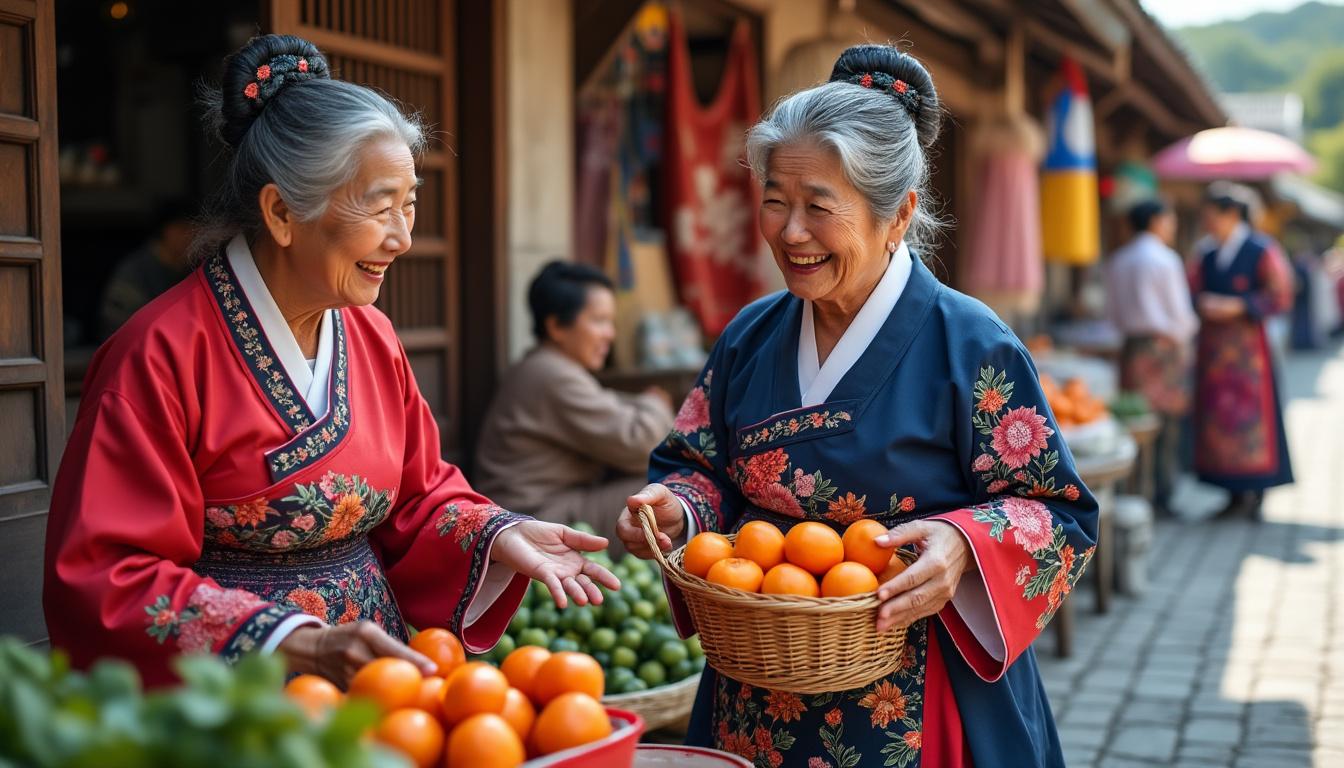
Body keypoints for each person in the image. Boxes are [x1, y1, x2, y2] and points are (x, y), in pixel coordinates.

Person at [43, 35, 617, 688]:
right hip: (243, 701)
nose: (403, 238)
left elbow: (420, 493)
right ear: (282, 213)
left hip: (380, 676)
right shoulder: (156, 355)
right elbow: (107, 574)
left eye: (410, 204)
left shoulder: (371, 334)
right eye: (380, 207)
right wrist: (295, 641)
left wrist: (496, 534)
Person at [616, 44, 1098, 767]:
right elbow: (700, 465)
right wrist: (677, 509)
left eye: (818, 207)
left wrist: (964, 545)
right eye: (775, 201)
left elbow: (1056, 512)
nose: (790, 232)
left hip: (915, 693)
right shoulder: (750, 336)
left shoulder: (972, 345)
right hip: (756, 683)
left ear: (898, 214)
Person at [474, 261, 674, 551]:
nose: (610, 334)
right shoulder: (551, 374)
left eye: (611, 322)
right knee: (671, 486)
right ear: (556, 326)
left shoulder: (548, 367)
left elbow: (613, 407)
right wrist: (655, 402)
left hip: (544, 507)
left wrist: (646, 404)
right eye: (599, 321)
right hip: (535, 517)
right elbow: (643, 444)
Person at [1190, 182, 1294, 519]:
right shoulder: (1206, 253)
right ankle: (1231, 494)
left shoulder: (1261, 249)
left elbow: (1281, 293)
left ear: (1232, 214)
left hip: (1249, 354)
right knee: (1219, 419)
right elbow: (1190, 290)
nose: (1208, 223)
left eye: (1212, 216)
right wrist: (1202, 304)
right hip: (1214, 354)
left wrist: (1239, 305)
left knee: (1253, 420)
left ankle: (1258, 493)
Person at [1104, 199, 1199, 514]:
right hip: (1164, 346)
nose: (1172, 226)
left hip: (1132, 346)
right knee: (1165, 422)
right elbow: (1180, 312)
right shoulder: (1165, 258)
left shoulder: (1118, 260)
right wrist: (1185, 343)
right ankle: (1161, 494)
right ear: (1156, 221)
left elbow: (1112, 314)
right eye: (1169, 219)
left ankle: (1132, 489)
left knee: (1134, 418)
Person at [98, 199, 196, 339]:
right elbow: (117, 328)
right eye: (184, 229)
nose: (192, 235)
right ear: (166, 231)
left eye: (195, 229)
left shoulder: (193, 268)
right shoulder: (133, 272)